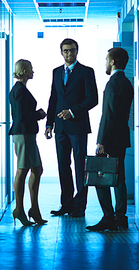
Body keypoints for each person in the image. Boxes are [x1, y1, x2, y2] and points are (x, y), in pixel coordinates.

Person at [46, 38, 98, 217]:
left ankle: (80, 206)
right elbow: (53, 98)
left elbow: (93, 99)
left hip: (78, 126)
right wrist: (48, 123)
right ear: (61, 52)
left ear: (77, 51)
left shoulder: (86, 72)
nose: (69, 53)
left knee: (80, 166)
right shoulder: (56, 72)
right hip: (60, 127)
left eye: (72, 50)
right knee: (63, 165)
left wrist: (73, 112)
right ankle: (67, 204)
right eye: (66, 51)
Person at [86, 48, 133, 231]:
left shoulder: (113, 83)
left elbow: (108, 115)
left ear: (113, 61)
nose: (105, 62)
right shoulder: (126, 82)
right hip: (121, 137)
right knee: (119, 178)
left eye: (107, 59)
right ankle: (120, 217)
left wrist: (101, 141)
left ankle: (108, 217)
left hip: (110, 139)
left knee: (101, 177)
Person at [10, 59, 47, 226]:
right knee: (22, 171)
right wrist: (38, 114)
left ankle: (34, 208)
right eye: (31, 68)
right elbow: (21, 117)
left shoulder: (20, 90)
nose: (33, 71)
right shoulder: (19, 91)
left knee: (37, 169)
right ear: (24, 71)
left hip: (27, 135)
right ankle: (19, 209)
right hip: (23, 134)